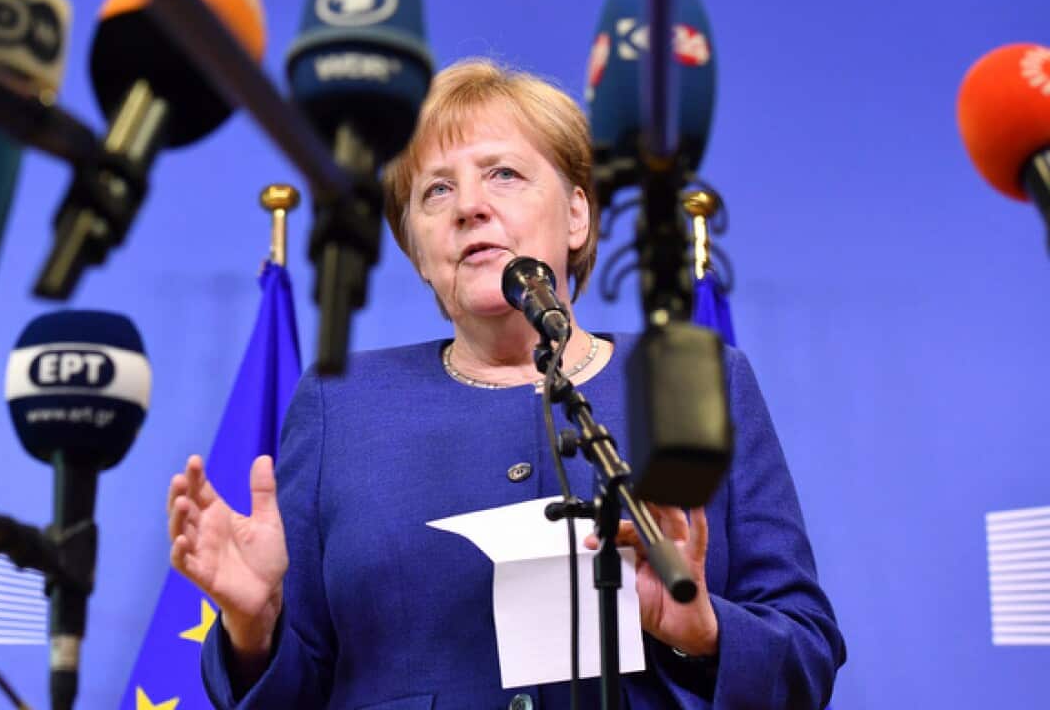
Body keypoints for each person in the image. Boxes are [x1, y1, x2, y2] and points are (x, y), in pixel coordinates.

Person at [167, 58, 846, 709]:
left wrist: (703, 632)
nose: (469, 206)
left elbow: (805, 658)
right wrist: (253, 626)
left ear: (576, 215)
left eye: (505, 174)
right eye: (436, 190)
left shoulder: (700, 383)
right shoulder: (342, 405)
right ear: (418, 251)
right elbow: (296, 691)